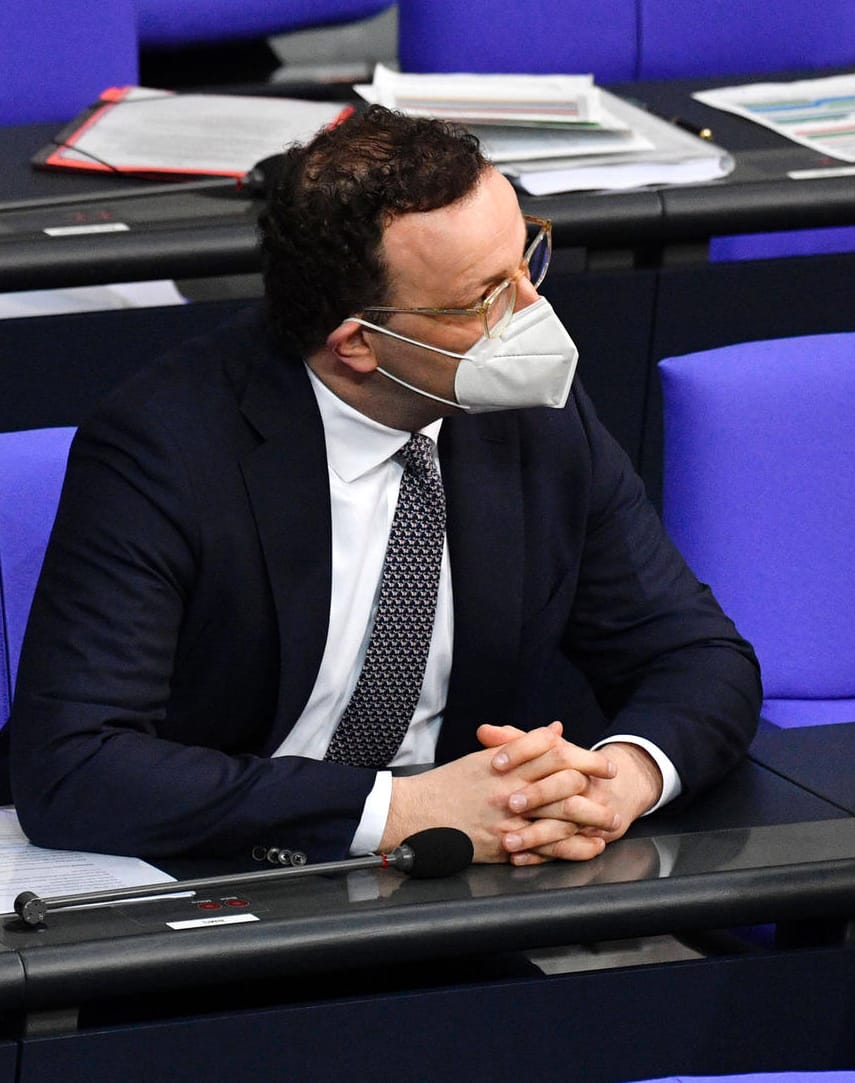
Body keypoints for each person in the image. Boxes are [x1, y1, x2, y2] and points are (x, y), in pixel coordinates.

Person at [9, 106, 761, 867]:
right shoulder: (164, 447)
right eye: (483, 299)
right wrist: (401, 808)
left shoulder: (534, 421)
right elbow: (73, 766)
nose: (533, 313)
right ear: (360, 343)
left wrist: (619, 778)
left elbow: (700, 656)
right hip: (226, 873)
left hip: (452, 882)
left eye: (526, 259)